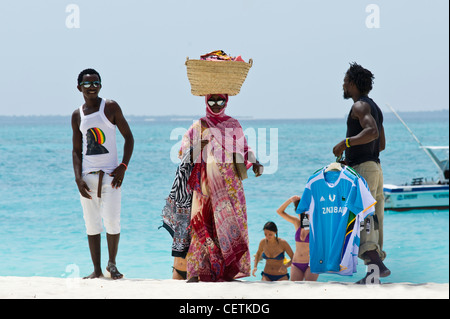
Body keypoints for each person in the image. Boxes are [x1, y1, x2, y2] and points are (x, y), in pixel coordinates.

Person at [179, 94, 263, 282]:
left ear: (227, 102)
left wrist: (256, 162)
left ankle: (227, 271)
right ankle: (197, 272)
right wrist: (197, 146)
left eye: (220, 101)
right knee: (202, 224)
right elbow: (183, 151)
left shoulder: (233, 124)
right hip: (206, 184)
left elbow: (245, 149)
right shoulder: (200, 125)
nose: (216, 105)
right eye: (212, 101)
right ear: (205, 102)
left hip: (231, 184)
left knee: (231, 225)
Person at [71, 68, 134, 279]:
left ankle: (112, 264)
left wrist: (123, 167)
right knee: (91, 223)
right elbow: (76, 151)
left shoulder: (110, 107)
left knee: (113, 220)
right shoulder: (77, 115)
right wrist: (78, 178)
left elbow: (129, 138)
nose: (92, 87)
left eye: (96, 83)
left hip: (111, 176)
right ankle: (96, 270)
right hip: (87, 177)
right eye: (87, 84)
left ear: (101, 85)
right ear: (79, 87)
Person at [332, 62, 390, 284]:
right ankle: (373, 274)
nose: (343, 84)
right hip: (375, 167)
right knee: (374, 219)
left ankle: (376, 265)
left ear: (353, 83)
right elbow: (381, 143)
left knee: (362, 217)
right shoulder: (375, 107)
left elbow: (372, 132)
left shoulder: (359, 107)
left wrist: (344, 143)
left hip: (364, 170)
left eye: (346, 80)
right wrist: (352, 155)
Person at [276, 196, 318, 281]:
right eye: (299, 211)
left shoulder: (315, 225)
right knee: (294, 290)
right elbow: (279, 211)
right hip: (296, 263)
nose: (301, 214)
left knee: (309, 289)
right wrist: (290, 200)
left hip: (311, 264)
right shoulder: (297, 223)